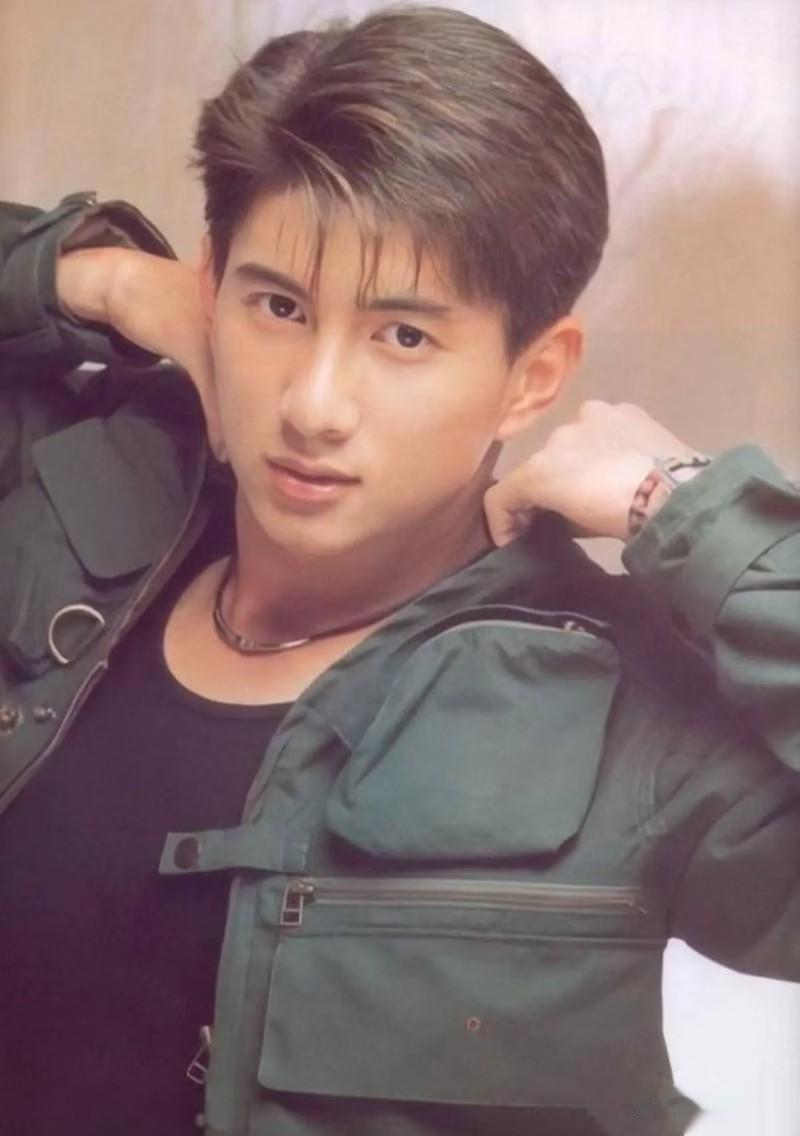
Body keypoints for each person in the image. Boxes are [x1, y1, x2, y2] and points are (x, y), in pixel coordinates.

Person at [0, 6, 797, 1136]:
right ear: (211, 289)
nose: (313, 404)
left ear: (533, 378)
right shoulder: (68, 509)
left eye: (403, 337)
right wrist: (97, 279)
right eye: (278, 306)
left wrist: (683, 509)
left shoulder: (635, 713)